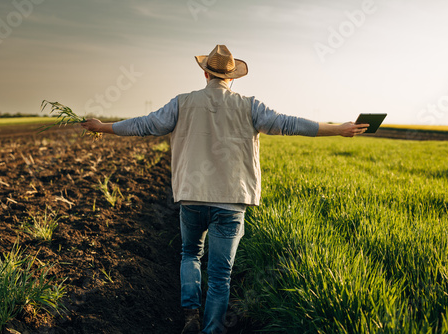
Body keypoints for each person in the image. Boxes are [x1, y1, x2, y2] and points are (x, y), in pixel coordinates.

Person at [81, 45, 369, 334]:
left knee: (190, 254)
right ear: (232, 78)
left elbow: (145, 125)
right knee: (220, 275)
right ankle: (212, 329)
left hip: (192, 196)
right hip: (232, 200)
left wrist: (103, 127)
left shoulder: (182, 102)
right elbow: (289, 124)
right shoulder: (250, 105)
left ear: (205, 73)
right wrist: (337, 128)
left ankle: (190, 316)